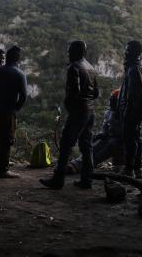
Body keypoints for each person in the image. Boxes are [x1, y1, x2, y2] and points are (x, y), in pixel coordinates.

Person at [40, 41, 99, 189]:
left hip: (78, 112)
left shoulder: (74, 67)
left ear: (77, 52)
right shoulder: (90, 67)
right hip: (90, 111)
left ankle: (58, 179)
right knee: (86, 146)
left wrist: (69, 107)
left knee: (66, 144)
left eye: (70, 51)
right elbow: (96, 93)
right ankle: (87, 180)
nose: (68, 53)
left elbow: (74, 93)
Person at [0, 46, 27, 178]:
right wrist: (16, 109)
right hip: (9, 111)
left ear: (6, 57)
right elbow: (23, 96)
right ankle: (3, 169)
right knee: (6, 140)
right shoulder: (19, 74)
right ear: (17, 58)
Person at [69, 89, 125, 173]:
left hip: (119, 141)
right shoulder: (109, 113)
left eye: (113, 99)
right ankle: (76, 163)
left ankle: (80, 167)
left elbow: (123, 132)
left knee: (103, 151)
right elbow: (105, 128)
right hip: (109, 137)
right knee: (94, 146)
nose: (111, 101)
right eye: (111, 99)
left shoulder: (124, 114)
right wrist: (99, 135)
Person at [118, 40, 142, 179]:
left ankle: (129, 169)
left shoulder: (133, 69)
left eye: (128, 50)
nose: (125, 52)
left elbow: (133, 94)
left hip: (132, 111)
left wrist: (127, 111)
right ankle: (138, 170)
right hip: (137, 111)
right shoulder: (138, 65)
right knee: (136, 139)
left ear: (134, 52)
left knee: (130, 139)